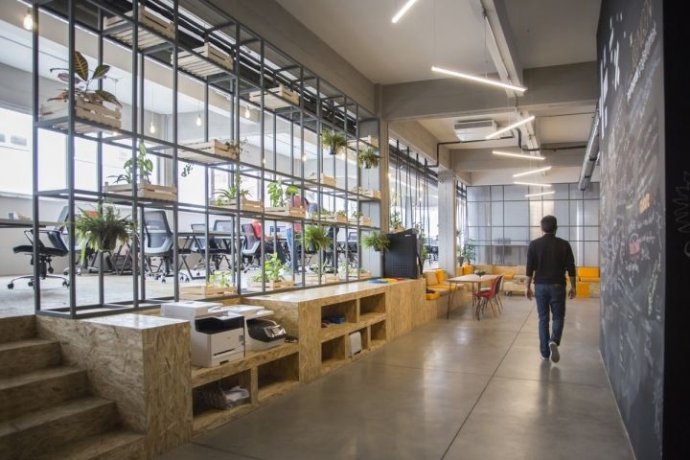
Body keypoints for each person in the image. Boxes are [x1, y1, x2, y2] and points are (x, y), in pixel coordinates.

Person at [526, 215, 576, 363]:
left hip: (540, 286)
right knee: (558, 317)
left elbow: (529, 269)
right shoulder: (564, 245)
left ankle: (544, 353)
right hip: (558, 286)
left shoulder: (534, 245)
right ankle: (554, 340)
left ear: (542, 228)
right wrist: (573, 287)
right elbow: (571, 268)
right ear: (556, 228)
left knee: (543, 319)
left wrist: (527, 287)